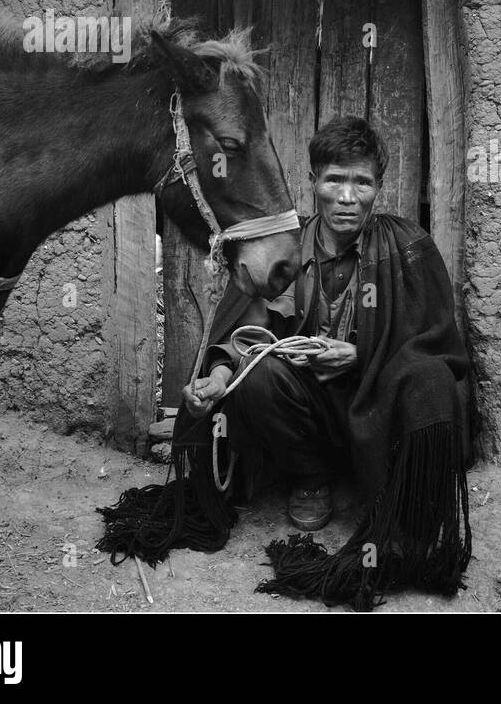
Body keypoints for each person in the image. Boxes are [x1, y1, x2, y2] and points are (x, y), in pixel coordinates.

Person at [102, 116, 472, 611]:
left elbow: (438, 346)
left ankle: (398, 503)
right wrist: (216, 378)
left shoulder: (407, 246)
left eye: (361, 182)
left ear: (378, 188)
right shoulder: (286, 249)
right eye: (335, 180)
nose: (347, 196)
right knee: (264, 376)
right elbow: (245, 334)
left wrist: (362, 356)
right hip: (307, 410)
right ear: (313, 182)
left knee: (427, 381)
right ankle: (311, 478)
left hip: (380, 408)